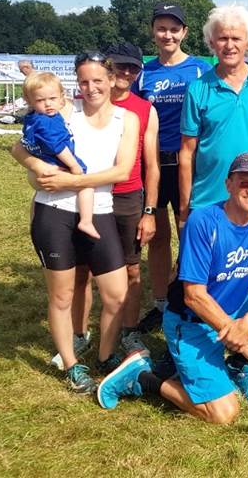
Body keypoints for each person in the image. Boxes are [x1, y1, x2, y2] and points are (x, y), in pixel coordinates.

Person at [95, 153, 248, 423]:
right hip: (192, 321)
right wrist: (238, 336)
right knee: (223, 415)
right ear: (228, 184)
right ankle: (144, 377)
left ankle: (237, 367)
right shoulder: (204, 221)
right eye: (245, 183)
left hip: (234, 309)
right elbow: (193, 295)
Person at [11, 52, 139, 394]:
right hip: (53, 212)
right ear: (75, 84)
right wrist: (37, 169)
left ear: (111, 80)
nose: (91, 87)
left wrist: (70, 181)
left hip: (100, 210)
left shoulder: (126, 119)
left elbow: (122, 171)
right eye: (84, 81)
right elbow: (18, 148)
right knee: (62, 295)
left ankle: (106, 353)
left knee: (116, 294)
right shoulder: (63, 110)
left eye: (98, 80)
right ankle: (71, 364)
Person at [132, 2, 211, 333]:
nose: (167, 34)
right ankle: (162, 302)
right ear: (153, 32)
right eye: (161, 28)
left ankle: (189, 297)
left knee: (189, 231)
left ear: (185, 33)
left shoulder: (199, 70)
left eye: (174, 29)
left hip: (186, 162)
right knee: (159, 237)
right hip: (152, 163)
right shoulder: (144, 72)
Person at [179, 4, 248, 220]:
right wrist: (184, 206)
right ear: (211, 43)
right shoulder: (198, 89)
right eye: (222, 38)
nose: (229, 45)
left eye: (236, 38)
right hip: (208, 200)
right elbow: (187, 153)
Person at [105, 42, 160, 353]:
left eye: (133, 67)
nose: (125, 72)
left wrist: (149, 210)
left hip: (128, 198)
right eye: (119, 65)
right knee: (85, 270)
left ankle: (129, 330)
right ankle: (80, 333)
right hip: (91, 196)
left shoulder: (144, 109)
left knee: (132, 269)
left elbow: (152, 166)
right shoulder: (84, 102)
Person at [21, 71, 99, 240]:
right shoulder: (46, 121)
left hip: (47, 161)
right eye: (41, 101)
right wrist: (74, 166)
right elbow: (58, 146)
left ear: (61, 97)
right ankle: (86, 220)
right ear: (30, 101)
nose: (48, 104)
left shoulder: (33, 118)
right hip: (57, 161)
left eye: (52, 99)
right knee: (87, 185)